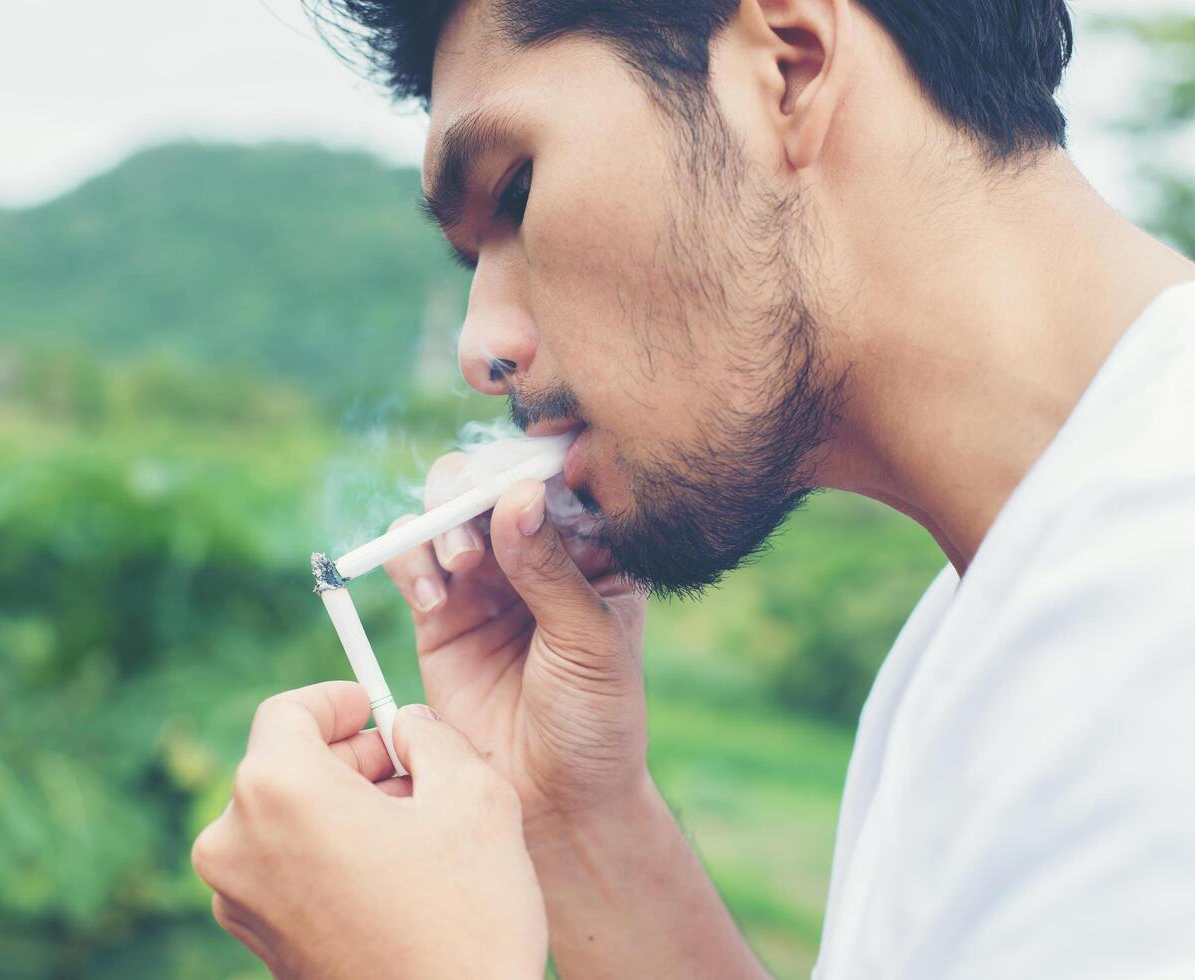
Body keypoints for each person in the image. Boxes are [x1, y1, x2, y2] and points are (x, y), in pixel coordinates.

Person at [190, 0, 1195, 975]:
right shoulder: (1007, 604)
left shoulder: (1153, 612)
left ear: (785, 67)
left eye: (515, 194)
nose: (480, 348)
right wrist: (577, 814)